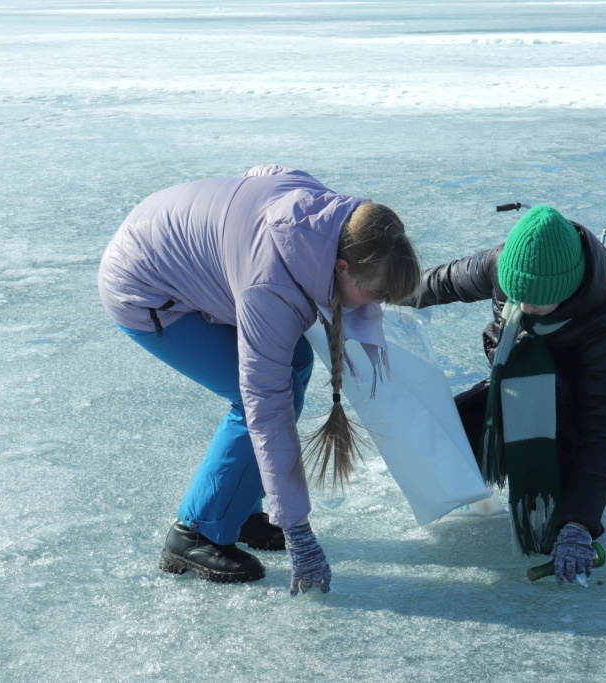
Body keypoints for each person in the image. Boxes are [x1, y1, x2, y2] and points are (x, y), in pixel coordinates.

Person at [98, 164, 420, 593]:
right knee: (256, 398)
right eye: (374, 295)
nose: (373, 308)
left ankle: (241, 509)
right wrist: (298, 533)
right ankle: (196, 532)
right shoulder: (271, 289)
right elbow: (264, 403)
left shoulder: (325, 215)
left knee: (295, 361)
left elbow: (266, 172)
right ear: (342, 267)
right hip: (144, 289)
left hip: (161, 233)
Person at [410, 205, 606, 586]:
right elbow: (442, 282)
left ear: (566, 289)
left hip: (564, 416)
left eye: (538, 302)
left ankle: (562, 501)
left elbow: (604, 422)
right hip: (509, 392)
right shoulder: (502, 262)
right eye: (516, 296)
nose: (524, 309)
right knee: (439, 432)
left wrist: (579, 523)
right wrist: (382, 292)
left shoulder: (601, 316)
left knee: (555, 524)